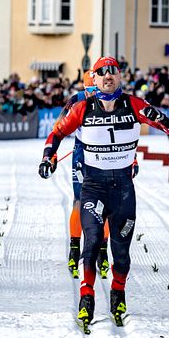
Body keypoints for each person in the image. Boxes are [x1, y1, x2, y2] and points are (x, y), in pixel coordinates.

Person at [38, 56, 169, 332]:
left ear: (119, 76)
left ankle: (118, 295)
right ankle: (87, 297)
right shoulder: (82, 106)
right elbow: (56, 133)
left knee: (121, 252)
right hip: (94, 186)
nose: (108, 77)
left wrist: (161, 119)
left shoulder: (135, 104)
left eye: (113, 72)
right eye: (102, 73)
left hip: (124, 190)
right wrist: (48, 157)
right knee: (92, 243)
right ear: (94, 78)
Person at [60, 71, 116, 279]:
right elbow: (59, 127)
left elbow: (125, 132)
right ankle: (74, 250)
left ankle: (102, 251)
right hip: (82, 155)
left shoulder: (113, 101)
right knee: (80, 201)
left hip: (108, 155)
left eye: (96, 89)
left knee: (107, 204)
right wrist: (51, 154)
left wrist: (133, 160)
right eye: (89, 90)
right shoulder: (77, 100)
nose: (93, 94)